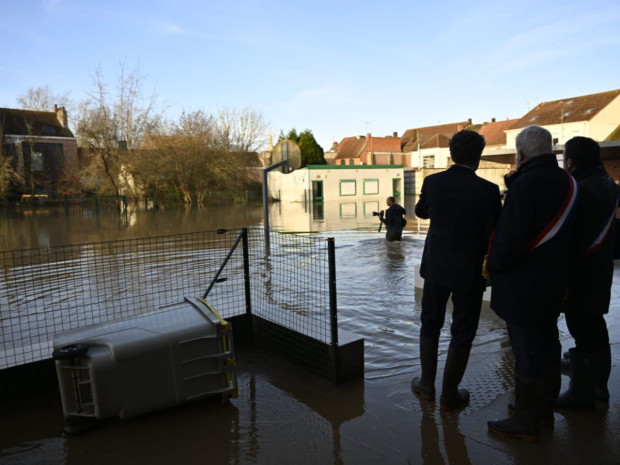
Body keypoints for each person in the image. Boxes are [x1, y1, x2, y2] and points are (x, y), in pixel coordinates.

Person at [486, 126, 578, 443]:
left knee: (525, 348)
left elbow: (508, 238)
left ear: (521, 154)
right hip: (554, 280)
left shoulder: (525, 186)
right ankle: (544, 409)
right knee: (549, 341)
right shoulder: (570, 183)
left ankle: (526, 420)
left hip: (523, 283)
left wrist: (492, 267)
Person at [412, 129, 502, 410]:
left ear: (451, 154)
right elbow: (495, 231)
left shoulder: (433, 182)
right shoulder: (488, 191)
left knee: (430, 321)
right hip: (470, 271)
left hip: (436, 265)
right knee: (463, 330)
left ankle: (426, 386)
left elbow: (421, 212)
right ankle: (450, 394)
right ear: (478, 157)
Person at [555, 136, 618, 408]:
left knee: (582, 327)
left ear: (571, 161)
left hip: (581, 269)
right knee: (595, 327)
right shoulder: (608, 184)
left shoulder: (580, 188)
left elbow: (571, 233)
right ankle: (599, 386)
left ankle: (583, 392)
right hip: (600, 267)